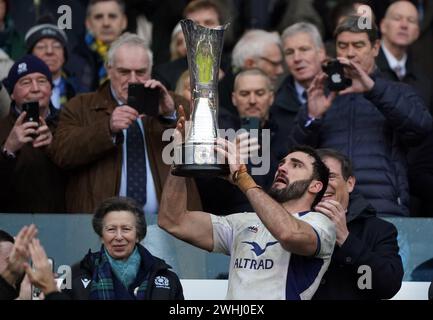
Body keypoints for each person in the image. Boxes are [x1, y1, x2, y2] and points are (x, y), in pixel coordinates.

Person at [159, 111, 336, 299]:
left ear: (316, 186)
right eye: (282, 163)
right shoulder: (244, 221)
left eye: (296, 165)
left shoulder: (321, 224)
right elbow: (173, 220)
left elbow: (288, 234)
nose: (282, 168)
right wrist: (179, 160)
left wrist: (242, 178)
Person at [290, 15, 432, 217]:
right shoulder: (322, 95)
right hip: (328, 207)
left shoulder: (397, 91)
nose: (350, 53)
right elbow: (295, 157)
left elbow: (422, 129)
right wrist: (312, 117)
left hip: (384, 208)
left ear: (375, 48)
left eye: (358, 45)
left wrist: (373, 90)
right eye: (343, 45)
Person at [50, 32, 200, 214]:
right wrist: (107, 128)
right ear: (108, 69)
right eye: (124, 72)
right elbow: (61, 154)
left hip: (169, 227)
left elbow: (203, 151)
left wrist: (171, 114)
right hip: (102, 227)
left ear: (151, 70)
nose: (133, 79)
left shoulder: (172, 103)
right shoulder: (80, 106)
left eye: (141, 72)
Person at [312, 148, 403, 300]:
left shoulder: (379, 230)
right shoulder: (291, 224)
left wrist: (346, 239)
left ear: (350, 183)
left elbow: (387, 286)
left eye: (331, 176)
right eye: (315, 178)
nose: (322, 183)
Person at [197, 69, 287, 215]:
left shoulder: (286, 131)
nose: (252, 101)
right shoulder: (217, 134)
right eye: (244, 94)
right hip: (232, 221)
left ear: (271, 97)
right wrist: (226, 164)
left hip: (279, 219)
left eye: (259, 93)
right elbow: (205, 193)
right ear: (234, 98)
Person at [63, 196, 184, 300]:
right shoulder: (75, 276)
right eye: (111, 229)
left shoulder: (167, 279)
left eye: (126, 229)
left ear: (138, 235)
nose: (119, 237)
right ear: (101, 236)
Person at [0, 55, 65, 213]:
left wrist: (54, 147)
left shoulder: (68, 124)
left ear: (50, 89)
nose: (35, 88)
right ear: (12, 94)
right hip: (13, 228)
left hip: (64, 226)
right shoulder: (2, 128)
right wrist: (8, 150)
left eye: (42, 81)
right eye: (25, 82)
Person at [271, 22, 326, 151]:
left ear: (321, 53)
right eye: (289, 52)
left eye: (304, 49)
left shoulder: (341, 93)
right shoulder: (274, 104)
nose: (297, 58)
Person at [68, 0, 128, 92]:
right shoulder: (71, 60)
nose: (106, 23)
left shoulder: (140, 57)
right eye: (98, 17)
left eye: (112, 16)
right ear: (88, 23)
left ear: (124, 21)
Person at [25, 18, 79, 110]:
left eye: (56, 46)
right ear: (30, 55)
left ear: (64, 55)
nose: (49, 51)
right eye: (41, 47)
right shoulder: (19, 90)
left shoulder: (79, 88)